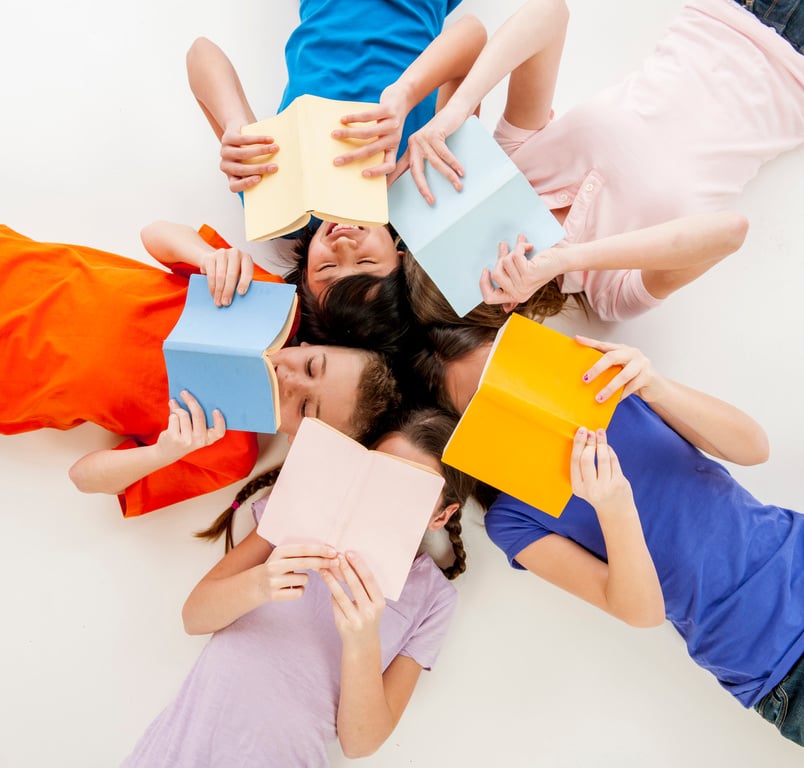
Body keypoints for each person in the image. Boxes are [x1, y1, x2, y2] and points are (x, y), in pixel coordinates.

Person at [421, 323, 804, 746]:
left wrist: (654, 385)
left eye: (505, 371)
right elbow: (641, 612)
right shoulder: (512, 519)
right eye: (483, 403)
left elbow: (754, 448)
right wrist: (614, 508)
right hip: (775, 657)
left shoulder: (611, 393)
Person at [399, 0, 804, 321]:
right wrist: (563, 258)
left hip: (720, 14)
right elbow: (730, 231)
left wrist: (458, 109)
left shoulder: (513, 166)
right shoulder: (609, 290)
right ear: (506, 303)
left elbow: (550, 13)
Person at [122, 408, 478, 766]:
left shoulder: (432, 598)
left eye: (408, 493)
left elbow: (360, 744)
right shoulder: (299, 513)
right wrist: (260, 583)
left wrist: (362, 641)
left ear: (440, 516)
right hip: (179, 752)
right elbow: (194, 617)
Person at [0, 222, 400, 517]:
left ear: (297, 440)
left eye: (306, 408)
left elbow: (84, 478)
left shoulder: (225, 453)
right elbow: (153, 235)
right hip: (21, 267)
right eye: (312, 366)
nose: (291, 381)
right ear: (314, 345)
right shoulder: (269, 302)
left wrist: (163, 452)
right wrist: (208, 257)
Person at [185, 4, 487, 299]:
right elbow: (473, 34)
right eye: (365, 262)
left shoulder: (284, 209)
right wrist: (405, 94)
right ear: (399, 260)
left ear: (305, 272)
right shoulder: (427, 188)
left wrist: (234, 125)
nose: (344, 244)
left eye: (328, 266)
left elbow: (200, 53)